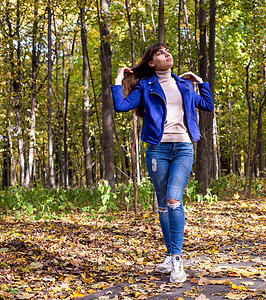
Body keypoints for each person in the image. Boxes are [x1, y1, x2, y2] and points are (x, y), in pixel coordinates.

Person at [111, 43, 214, 283]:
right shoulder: (146, 86)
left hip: (183, 148)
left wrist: (200, 82)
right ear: (151, 63)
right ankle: (170, 255)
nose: (166, 54)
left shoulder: (185, 85)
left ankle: (177, 259)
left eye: (167, 51)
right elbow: (120, 106)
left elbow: (207, 106)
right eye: (160, 53)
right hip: (157, 149)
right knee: (163, 205)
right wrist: (118, 79)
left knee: (173, 199)